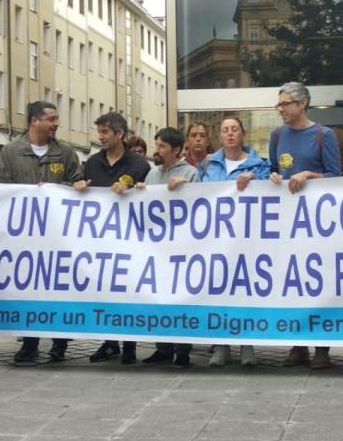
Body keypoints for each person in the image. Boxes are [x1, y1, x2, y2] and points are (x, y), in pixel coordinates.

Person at [0, 101, 83, 363]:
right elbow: (1, 188)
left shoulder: (66, 153)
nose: (56, 123)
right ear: (35, 121)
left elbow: (77, 180)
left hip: (59, 235)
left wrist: (65, 188)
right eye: (51, 118)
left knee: (60, 288)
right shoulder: (11, 152)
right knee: (28, 288)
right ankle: (30, 343)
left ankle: (60, 343)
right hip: (26, 235)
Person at [269, 82, 342, 369]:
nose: (281, 109)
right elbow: (274, 168)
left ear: (302, 104)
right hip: (288, 224)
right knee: (293, 282)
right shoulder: (277, 135)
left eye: (285, 104)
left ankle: (322, 347)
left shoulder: (324, 136)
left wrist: (310, 174)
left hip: (317, 223)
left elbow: (336, 177)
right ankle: (298, 345)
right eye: (279, 104)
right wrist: (272, 177)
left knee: (319, 282)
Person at [80, 112, 151, 365]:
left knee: (128, 290)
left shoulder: (139, 165)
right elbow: (81, 187)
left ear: (119, 134)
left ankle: (129, 344)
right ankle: (109, 343)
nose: (100, 137)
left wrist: (139, 190)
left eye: (105, 133)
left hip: (131, 239)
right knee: (104, 291)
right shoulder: (92, 163)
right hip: (99, 241)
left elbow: (150, 198)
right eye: (99, 132)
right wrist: (78, 186)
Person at [201, 117, 271, 367]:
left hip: (247, 239)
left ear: (243, 134)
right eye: (225, 130)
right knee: (219, 291)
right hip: (217, 239)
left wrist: (255, 179)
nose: (230, 134)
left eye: (234, 130)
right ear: (219, 136)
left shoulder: (259, 164)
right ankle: (221, 345)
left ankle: (247, 344)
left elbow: (272, 193)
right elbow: (198, 195)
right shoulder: (209, 163)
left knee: (244, 292)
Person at [135, 127, 200, 368]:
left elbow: (204, 205)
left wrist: (188, 188)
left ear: (176, 150)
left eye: (162, 146)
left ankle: (182, 349)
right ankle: (162, 348)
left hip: (183, 248)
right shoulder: (152, 175)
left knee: (181, 298)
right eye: (156, 145)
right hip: (158, 248)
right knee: (159, 297)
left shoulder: (191, 174)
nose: (157, 150)